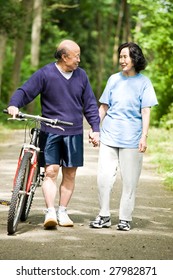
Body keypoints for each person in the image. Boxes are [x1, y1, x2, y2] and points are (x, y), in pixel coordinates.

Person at [7, 39, 100, 229]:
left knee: (70, 174)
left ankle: (63, 211)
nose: (79, 60)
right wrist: (14, 104)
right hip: (50, 130)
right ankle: (50, 211)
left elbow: (90, 104)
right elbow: (25, 91)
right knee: (51, 171)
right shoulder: (46, 73)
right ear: (64, 56)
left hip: (73, 130)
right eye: (76, 56)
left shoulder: (81, 76)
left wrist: (95, 128)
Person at [90, 42, 158, 231]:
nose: (122, 60)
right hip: (109, 136)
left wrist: (144, 136)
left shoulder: (144, 82)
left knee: (129, 181)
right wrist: (95, 127)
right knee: (103, 178)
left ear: (135, 58)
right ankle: (103, 216)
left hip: (132, 139)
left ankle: (125, 218)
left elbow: (146, 111)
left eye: (125, 56)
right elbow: (104, 106)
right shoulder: (113, 79)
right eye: (120, 56)